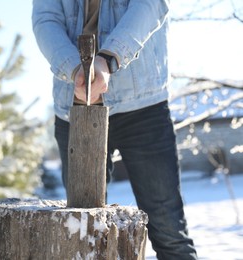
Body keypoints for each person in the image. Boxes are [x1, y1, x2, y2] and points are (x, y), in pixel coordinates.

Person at [32, 0, 198, 259]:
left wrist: (109, 58)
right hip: (75, 107)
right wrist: (74, 69)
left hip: (143, 104)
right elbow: (46, 20)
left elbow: (151, 5)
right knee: (84, 232)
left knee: (169, 234)